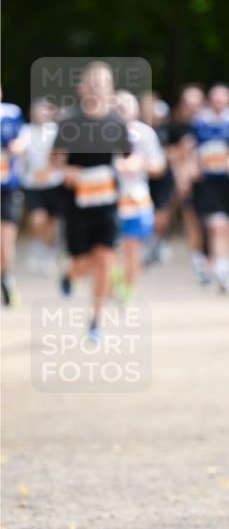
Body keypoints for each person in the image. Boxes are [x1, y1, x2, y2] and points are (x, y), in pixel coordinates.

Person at [51, 61, 131, 339]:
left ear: (110, 88)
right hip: (77, 203)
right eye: (93, 82)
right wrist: (66, 170)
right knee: (83, 264)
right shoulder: (69, 122)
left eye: (103, 82)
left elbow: (131, 156)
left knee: (106, 259)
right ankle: (69, 274)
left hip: (107, 201)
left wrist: (127, 167)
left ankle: (96, 321)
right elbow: (55, 160)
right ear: (82, 87)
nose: (97, 87)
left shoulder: (116, 122)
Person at [190, 83, 229, 292]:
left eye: (222, 100)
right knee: (216, 225)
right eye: (215, 100)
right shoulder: (199, 122)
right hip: (210, 182)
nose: (218, 104)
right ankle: (221, 270)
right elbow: (192, 148)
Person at [113, 90, 166, 300]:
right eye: (117, 104)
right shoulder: (100, 133)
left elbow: (159, 166)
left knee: (132, 248)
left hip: (136, 200)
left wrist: (141, 163)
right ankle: (112, 283)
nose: (121, 108)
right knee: (112, 248)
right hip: (109, 199)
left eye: (126, 104)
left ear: (135, 109)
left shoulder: (145, 133)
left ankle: (128, 290)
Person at [165, 85, 209, 283]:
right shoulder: (175, 128)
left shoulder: (209, 127)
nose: (192, 109)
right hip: (184, 181)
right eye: (188, 104)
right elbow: (167, 155)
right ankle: (198, 259)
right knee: (192, 219)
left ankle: (212, 260)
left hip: (209, 181)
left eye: (196, 104)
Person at [19, 98, 65, 276]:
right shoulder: (25, 131)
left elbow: (61, 155)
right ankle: (40, 246)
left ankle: (49, 253)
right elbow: (20, 150)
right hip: (32, 183)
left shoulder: (54, 131)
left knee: (52, 222)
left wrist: (48, 171)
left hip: (53, 183)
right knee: (38, 219)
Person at [139, 91, 175, 264]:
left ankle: (156, 242)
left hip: (163, 179)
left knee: (161, 215)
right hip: (142, 178)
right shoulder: (137, 130)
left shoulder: (166, 130)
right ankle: (145, 244)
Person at [1, 88, 26, 305]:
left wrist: (14, 148)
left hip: (7, 189)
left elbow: (23, 141)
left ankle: (6, 276)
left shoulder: (11, 113)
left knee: (5, 241)